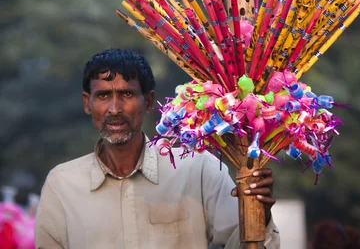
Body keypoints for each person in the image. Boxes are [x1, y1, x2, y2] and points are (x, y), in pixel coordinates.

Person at [35, 49, 280, 248]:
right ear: (87, 103)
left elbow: (245, 244)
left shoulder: (198, 168)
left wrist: (260, 213)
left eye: (127, 94)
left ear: (149, 101)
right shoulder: (63, 184)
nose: (114, 108)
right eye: (103, 96)